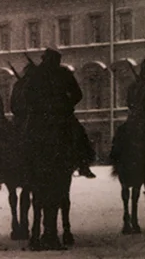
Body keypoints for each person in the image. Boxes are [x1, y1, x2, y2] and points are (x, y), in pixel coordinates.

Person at [22, 48, 96, 178]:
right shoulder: (63, 73)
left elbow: (27, 96)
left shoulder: (36, 74)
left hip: (41, 117)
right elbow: (78, 95)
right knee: (79, 135)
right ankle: (83, 164)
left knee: (25, 139)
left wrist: (40, 106)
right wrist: (66, 104)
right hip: (61, 115)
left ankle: (23, 167)